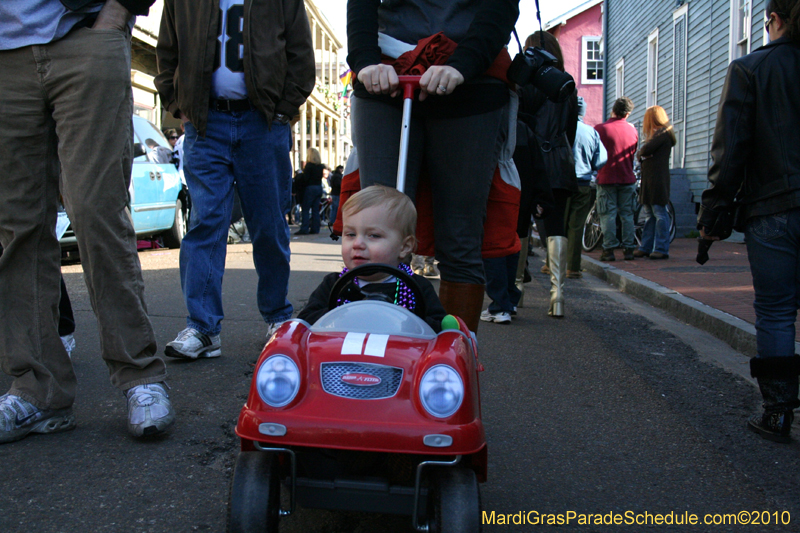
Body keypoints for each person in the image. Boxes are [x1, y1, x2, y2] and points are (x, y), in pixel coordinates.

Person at [0, 0, 175, 442]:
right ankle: (38, 392)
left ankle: (139, 375)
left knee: (96, 212)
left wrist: (116, 14)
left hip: (84, 34)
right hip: (5, 59)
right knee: (16, 230)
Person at [347, 0, 520, 332]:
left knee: (460, 236)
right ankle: (380, 350)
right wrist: (364, 60)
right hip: (385, 75)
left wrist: (463, 64)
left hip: (473, 80)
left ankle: (455, 357)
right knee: (377, 228)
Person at [155, 0, 315, 358]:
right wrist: (177, 104)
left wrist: (283, 111)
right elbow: (167, 52)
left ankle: (277, 316)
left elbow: (302, 58)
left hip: (263, 122)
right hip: (205, 123)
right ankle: (202, 327)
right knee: (205, 222)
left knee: (268, 223)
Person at [698, 0, 800, 444]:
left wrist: (715, 212)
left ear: (774, 19)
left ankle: (778, 412)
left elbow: (731, 148)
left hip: (773, 207)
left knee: (777, 310)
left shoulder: (752, 69)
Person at [298, 186, 447, 332]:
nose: (357, 244)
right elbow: (305, 322)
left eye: (374, 235)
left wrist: (405, 320)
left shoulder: (418, 288)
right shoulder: (334, 285)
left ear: (404, 247)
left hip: (398, 355)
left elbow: (440, 330)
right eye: (350, 234)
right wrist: (341, 316)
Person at [516, 31, 578, 318]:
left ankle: (516, 290)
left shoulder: (530, 82)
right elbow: (570, 131)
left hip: (530, 159)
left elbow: (520, 122)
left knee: (520, 225)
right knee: (556, 228)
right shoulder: (567, 84)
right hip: (561, 160)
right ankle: (558, 295)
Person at [565, 96, 607, 278]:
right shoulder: (591, 132)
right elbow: (601, 160)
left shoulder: (560, 128)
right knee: (576, 226)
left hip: (561, 183)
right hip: (582, 183)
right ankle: (572, 267)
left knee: (558, 224)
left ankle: (552, 264)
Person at [594, 97, 639, 262]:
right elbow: (633, 152)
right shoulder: (632, 130)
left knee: (608, 214)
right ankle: (629, 249)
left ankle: (609, 249)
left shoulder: (600, 129)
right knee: (627, 214)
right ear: (627, 113)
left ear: (613, 109)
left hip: (606, 177)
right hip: (627, 177)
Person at [634, 106, 676, 260]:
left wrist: (642, 153)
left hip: (657, 180)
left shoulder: (662, 134)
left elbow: (645, 150)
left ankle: (661, 248)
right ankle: (645, 246)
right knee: (649, 215)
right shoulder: (661, 135)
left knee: (659, 213)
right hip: (651, 180)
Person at [296, 148, 325, 235]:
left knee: (305, 209)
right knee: (315, 209)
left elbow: (305, 179)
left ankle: (304, 228)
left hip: (310, 188)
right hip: (318, 187)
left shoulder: (309, 166)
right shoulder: (320, 167)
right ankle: (315, 228)